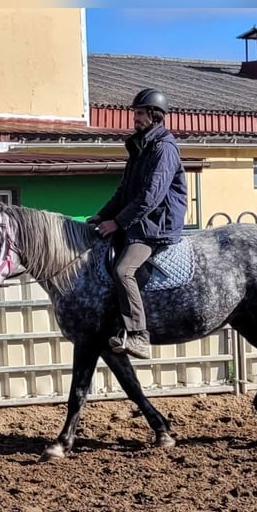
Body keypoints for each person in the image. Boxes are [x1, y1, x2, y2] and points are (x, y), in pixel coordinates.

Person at [87, 88, 187, 360]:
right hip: (139, 221)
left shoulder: (164, 149)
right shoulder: (141, 147)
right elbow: (124, 191)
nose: (135, 118)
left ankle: (139, 335)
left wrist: (117, 223)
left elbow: (150, 196)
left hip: (156, 225)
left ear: (155, 116)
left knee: (123, 271)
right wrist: (103, 215)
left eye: (140, 113)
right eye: (135, 113)